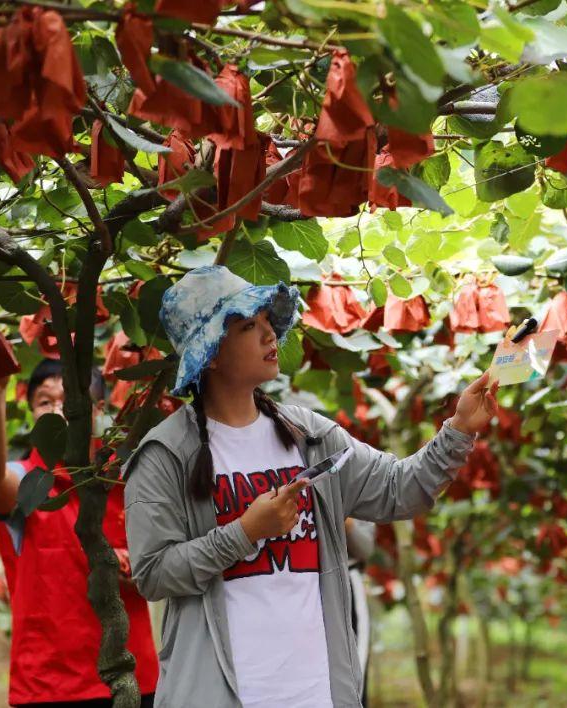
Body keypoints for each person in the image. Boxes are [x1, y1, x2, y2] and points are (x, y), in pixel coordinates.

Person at [122, 266, 499, 708]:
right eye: (249, 326)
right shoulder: (165, 453)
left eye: (267, 323)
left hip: (316, 693)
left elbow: (400, 489)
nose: (269, 336)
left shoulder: (310, 435)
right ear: (212, 353)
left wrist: (458, 429)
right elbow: (152, 574)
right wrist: (244, 533)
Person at [0, 358, 159, 707]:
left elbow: (163, 560)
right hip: (50, 686)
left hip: (133, 680)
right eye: (45, 401)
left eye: (70, 399)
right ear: (31, 413)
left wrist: (141, 569)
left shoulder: (126, 480)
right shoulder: (26, 483)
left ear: (99, 410)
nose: (58, 410)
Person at [345, 518, 376, 706]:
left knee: (354, 668)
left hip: (347, 581)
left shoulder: (357, 490)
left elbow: (366, 548)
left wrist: (345, 520)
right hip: (302, 582)